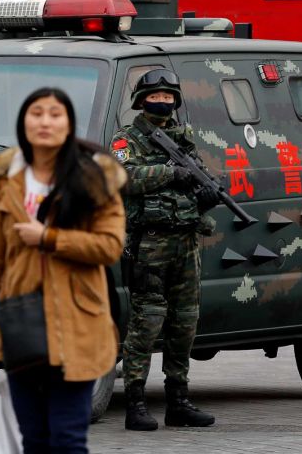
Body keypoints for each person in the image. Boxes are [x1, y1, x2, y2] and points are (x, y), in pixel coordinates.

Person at [0, 87, 127, 454]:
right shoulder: (5, 184)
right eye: (36, 113)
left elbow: (110, 246)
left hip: (80, 323)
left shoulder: (94, 180)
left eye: (55, 114)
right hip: (20, 323)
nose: (45, 122)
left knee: (68, 439)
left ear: (69, 124)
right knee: (34, 439)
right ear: (23, 122)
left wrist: (50, 238)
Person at [111, 68, 220, 431]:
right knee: (146, 322)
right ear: (141, 101)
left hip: (186, 243)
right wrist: (171, 173)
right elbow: (123, 177)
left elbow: (198, 178)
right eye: (155, 97)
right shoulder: (128, 139)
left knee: (184, 323)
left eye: (168, 97)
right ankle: (136, 404)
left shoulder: (182, 140)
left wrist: (205, 196)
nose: (162, 102)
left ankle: (179, 401)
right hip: (150, 244)